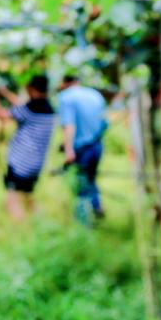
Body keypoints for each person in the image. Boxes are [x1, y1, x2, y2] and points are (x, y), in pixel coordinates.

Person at [0, 74, 56, 220]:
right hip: (36, 163)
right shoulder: (48, 108)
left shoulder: (30, 109)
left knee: (13, 198)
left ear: (32, 89)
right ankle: (39, 223)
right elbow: (20, 105)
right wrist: (4, 92)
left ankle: (19, 228)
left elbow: (2, 115)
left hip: (20, 162)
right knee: (28, 195)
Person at [58, 74, 107, 224]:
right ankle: (97, 206)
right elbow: (104, 123)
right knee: (90, 178)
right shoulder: (95, 95)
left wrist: (68, 149)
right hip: (97, 145)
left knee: (80, 185)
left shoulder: (66, 97)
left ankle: (83, 224)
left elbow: (69, 125)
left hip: (80, 148)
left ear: (65, 83)